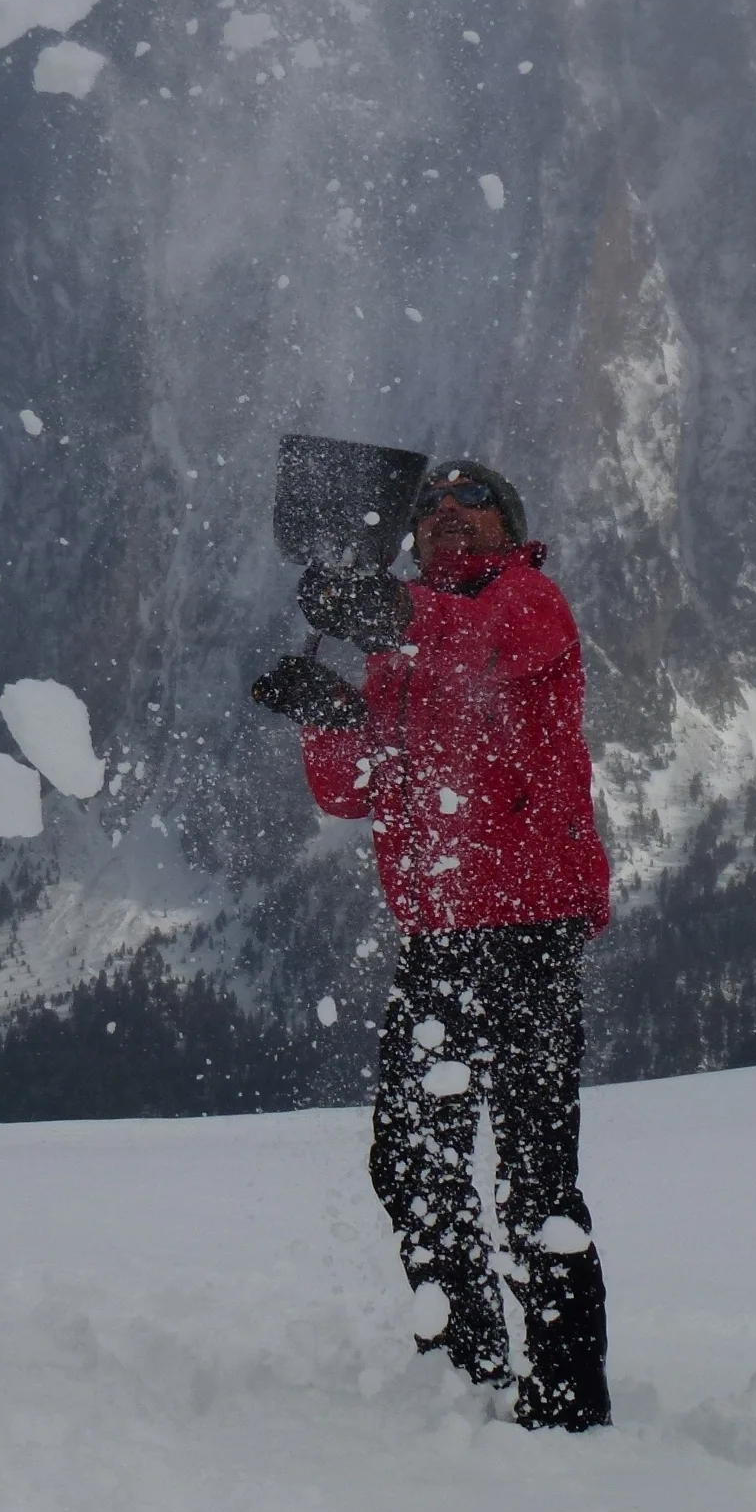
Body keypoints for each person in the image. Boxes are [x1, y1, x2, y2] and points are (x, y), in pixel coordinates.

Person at [251, 459, 613, 1431]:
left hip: (528, 926)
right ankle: (464, 1368)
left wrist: (390, 615)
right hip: (441, 937)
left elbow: (486, 648)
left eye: (471, 499)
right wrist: (328, 720)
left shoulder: (528, 600)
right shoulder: (405, 640)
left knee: (535, 1173)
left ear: (510, 525)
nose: (446, 512)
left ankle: (568, 1403)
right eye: (428, 506)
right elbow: (356, 789)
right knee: (411, 1160)